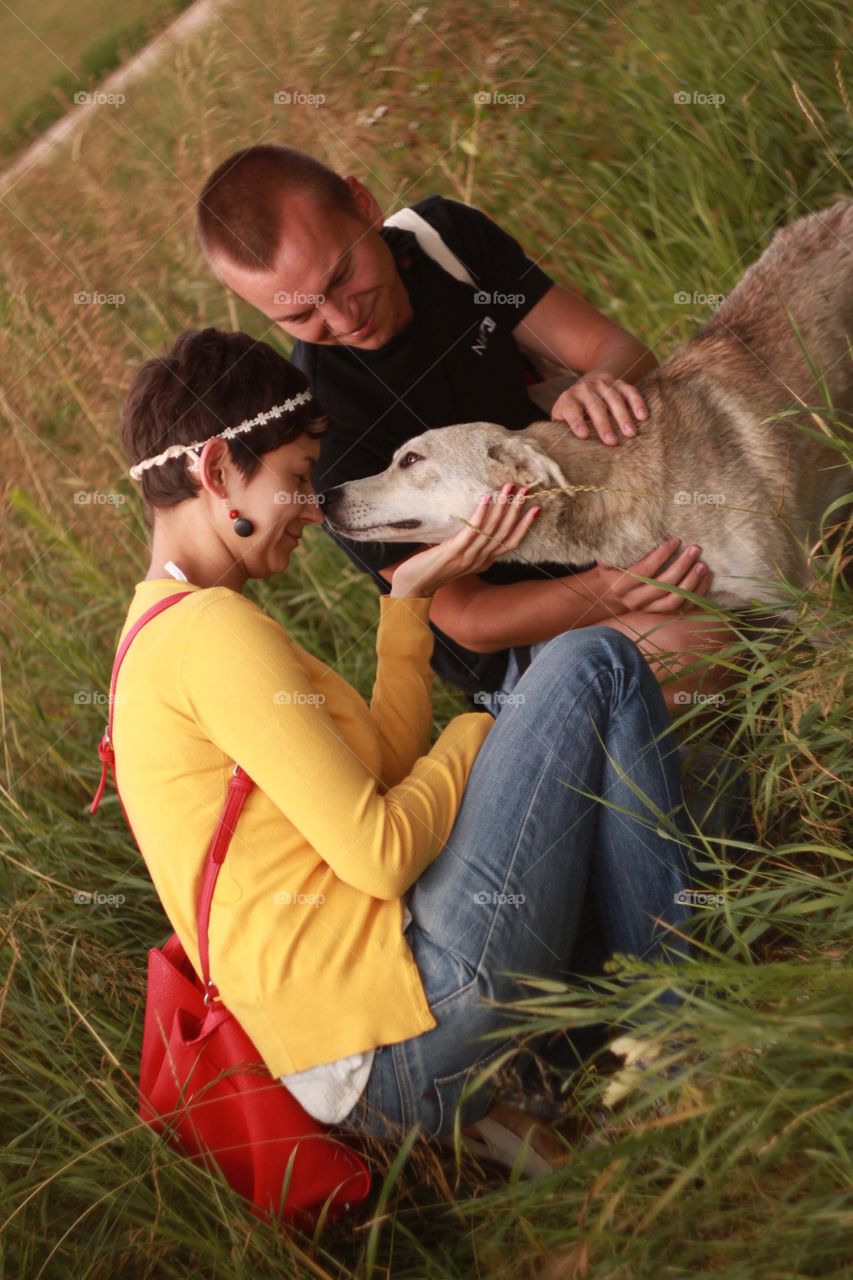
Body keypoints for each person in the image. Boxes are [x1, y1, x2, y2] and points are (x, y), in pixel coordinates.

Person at [114, 326, 698, 1170]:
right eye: (297, 480)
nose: (314, 510)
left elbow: (384, 771)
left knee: (692, 792)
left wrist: (410, 594)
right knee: (594, 661)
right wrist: (482, 728)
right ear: (215, 473)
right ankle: (679, 1042)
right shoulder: (212, 635)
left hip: (364, 1043)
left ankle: (563, 1054)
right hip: (401, 1026)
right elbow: (384, 850)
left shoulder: (161, 632)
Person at [194, 144, 733, 714]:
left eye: (344, 275)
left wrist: (601, 381)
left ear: (364, 205)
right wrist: (607, 590)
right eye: (301, 316)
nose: (344, 319)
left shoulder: (445, 243)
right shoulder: (323, 424)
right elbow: (470, 620)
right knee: (699, 642)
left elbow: (617, 350)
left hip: (609, 531)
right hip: (519, 644)